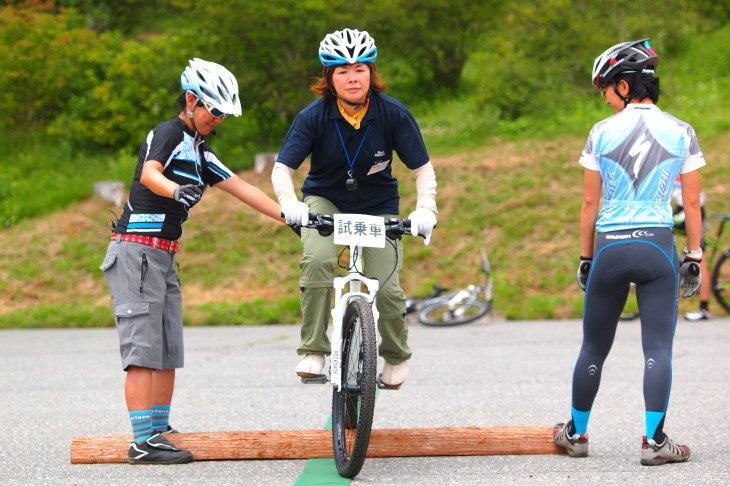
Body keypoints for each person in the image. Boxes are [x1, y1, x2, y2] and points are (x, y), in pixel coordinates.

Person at [100, 58, 283, 465]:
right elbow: (150, 174)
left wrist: (292, 218)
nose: (218, 119)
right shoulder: (167, 133)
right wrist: (174, 191)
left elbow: (242, 187)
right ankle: (142, 442)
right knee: (142, 351)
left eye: (223, 114)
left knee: (166, 348)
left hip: (164, 256)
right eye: (213, 110)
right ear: (191, 100)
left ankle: (159, 429)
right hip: (137, 251)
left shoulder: (201, 151)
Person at [553, 39, 705, 466]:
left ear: (623, 85)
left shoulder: (601, 131)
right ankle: (655, 443)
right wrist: (693, 255)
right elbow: (691, 205)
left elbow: (588, 205)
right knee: (657, 345)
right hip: (657, 245)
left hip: (609, 247)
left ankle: (577, 434)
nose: (603, 96)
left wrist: (586, 258)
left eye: (604, 87)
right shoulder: (682, 131)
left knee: (593, 347)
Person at [272, 28, 437, 389]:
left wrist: (427, 208)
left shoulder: (393, 114)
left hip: (378, 208)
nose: (352, 77)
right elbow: (282, 168)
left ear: (371, 73)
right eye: (342, 70)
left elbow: (422, 169)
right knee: (317, 260)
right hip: (325, 204)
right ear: (329, 78)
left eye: (360, 69)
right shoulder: (313, 116)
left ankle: (395, 355)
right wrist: (289, 202)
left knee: (389, 288)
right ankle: (314, 350)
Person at [671, 175, 712, 320]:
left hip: (694, 209)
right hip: (681, 208)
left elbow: (695, 193)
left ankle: (704, 308)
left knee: (700, 256)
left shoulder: (686, 157)